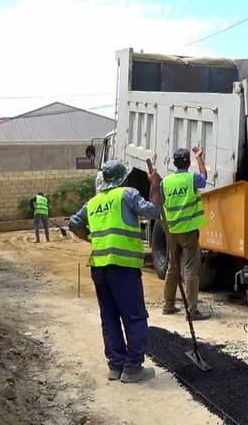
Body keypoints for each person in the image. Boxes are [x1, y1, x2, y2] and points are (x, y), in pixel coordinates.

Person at [68, 160, 162, 383]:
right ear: (123, 178)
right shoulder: (126, 194)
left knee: (109, 317)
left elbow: (74, 224)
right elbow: (154, 211)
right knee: (135, 317)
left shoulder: (93, 202)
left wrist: (90, 237)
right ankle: (132, 369)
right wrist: (155, 185)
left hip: (100, 267)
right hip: (123, 267)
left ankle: (115, 366)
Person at [160, 147, 211, 320]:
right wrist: (200, 159)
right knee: (190, 269)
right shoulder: (192, 178)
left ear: (174, 163)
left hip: (172, 230)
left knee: (172, 266)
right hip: (188, 230)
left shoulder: (165, 182)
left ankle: (168, 305)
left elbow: (161, 201)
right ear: (188, 163)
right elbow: (204, 178)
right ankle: (192, 310)